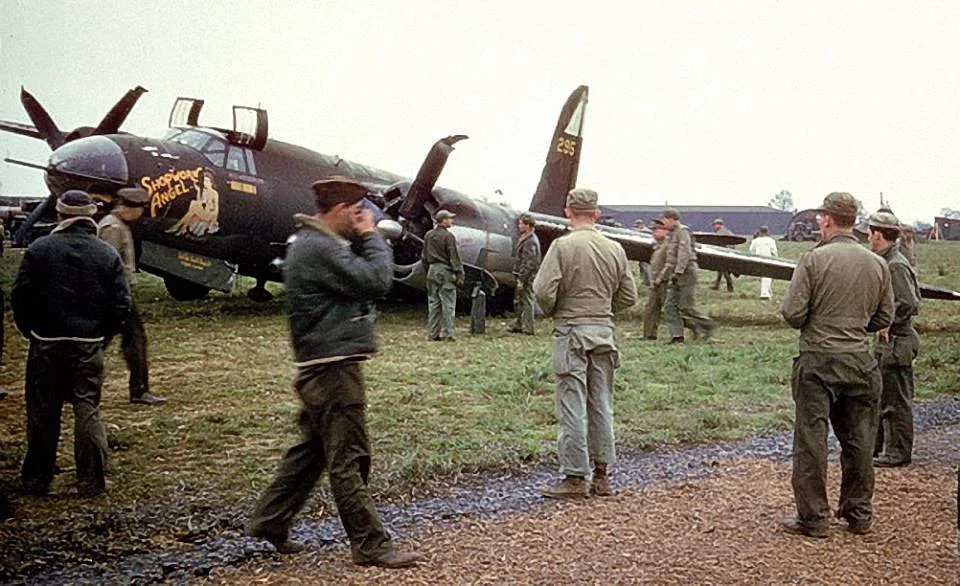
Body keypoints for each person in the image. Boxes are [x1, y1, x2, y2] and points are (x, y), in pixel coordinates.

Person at [247, 178, 422, 567]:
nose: (364, 218)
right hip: (333, 368)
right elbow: (377, 281)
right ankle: (370, 544)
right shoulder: (321, 247)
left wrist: (360, 237)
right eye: (358, 211)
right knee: (350, 457)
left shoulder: (310, 244)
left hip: (320, 365)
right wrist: (372, 236)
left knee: (311, 452)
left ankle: (270, 520)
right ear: (342, 209)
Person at [779, 192, 894, 538]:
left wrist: (822, 323)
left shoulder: (813, 260)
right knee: (860, 440)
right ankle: (858, 514)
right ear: (854, 221)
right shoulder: (877, 263)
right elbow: (885, 315)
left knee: (812, 441)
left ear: (827, 219)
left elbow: (792, 313)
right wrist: (855, 327)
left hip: (818, 361)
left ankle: (814, 519)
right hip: (860, 362)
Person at [12, 190, 131, 498]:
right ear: (91, 216)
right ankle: (91, 481)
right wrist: (102, 337)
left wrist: (32, 331)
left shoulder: (40, 249)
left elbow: (21, 297)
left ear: (61, 215)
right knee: (87, 408)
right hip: (88, 342)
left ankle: (37, 481)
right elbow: (121, 305)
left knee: (42, 411)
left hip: (46, 340)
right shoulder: (106, 253)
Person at [533, 188, 637, 498]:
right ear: (597, 213)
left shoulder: (562, 246)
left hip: (571, 331)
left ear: (567, 211)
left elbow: (542, 290)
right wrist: (602, 310)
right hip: (603, 331)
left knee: (571, 403)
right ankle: (602, 474)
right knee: (601, 403)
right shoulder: (615, 248)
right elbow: (629, 295)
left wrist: (556, 311)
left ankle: (576, 476)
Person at [98, 187, 166, 405]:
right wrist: (115, 297)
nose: (141, 215)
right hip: (114, 295)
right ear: (128, 208)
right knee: (133, 340)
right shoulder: (113, 228)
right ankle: (138, 391)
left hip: (116, 293)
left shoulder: (117, 225)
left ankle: (71, 384)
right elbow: (105, 266)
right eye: (140, 210)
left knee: (110, 341)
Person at [867, 210, 921, 468]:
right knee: (881, 397)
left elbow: (909, 303)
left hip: (896, 342)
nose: (867, 238)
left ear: (878, 235)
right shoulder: (885, 261)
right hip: (888, 343)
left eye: (869, 233)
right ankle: (879, 448)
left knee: (895, 402)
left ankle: (898, 453)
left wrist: (887, 321)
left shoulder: (895, 265)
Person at [657, 208, 714, 343]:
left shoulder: (683, 231)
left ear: (672, 219)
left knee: (686, 305)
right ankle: (677, 336)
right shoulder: (671, 234)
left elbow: (684, 253)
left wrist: (678, 272)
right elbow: (670, 259)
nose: (662, 223)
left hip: (686, 272)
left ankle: (707, 324)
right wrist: (662, 276)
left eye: (664, 220)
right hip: (675, 273)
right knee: (670, 306)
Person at [422, 209, 464, 341]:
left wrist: (428, 270)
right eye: (450, 218)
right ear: (444, 220)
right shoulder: (448, 236)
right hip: (445, 271)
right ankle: (448, 334)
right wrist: (459, 274)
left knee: (433, 303)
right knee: (448, 304)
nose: (451, 220)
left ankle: (433, 334)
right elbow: (454, 257)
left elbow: (423, 257)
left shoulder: (428, 235)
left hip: (432, 271)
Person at [509, 213, 541, 335]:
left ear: (528, 225)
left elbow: (529, 262)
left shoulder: (531, 241)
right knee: (520, 300)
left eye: (521, 224)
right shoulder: (526, 238)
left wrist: (522, 278)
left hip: (527, 276)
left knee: (527, 300)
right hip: (522, 273)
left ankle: (528, 327)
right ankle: (519, 324)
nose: (519, 226)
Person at [642, 219, 670, 340]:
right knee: (650, 309)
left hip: (665, 283)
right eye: (652, 230)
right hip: (656, 283)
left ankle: (697, 326)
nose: (653, 232)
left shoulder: (669, 246)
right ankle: (649, 335)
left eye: (656, 230)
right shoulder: (657, 246)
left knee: (672, 310)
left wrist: (660, 279)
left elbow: (670, 265)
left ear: (665, 231)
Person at [749, 225, 779, 299]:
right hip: (768, 260)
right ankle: (765, 293)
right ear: (767, 232)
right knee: (767, 277)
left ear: (760, 232)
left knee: (762, 277)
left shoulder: (755, 241)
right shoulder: (771, 241)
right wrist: (776, 259)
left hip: (758, 260)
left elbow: (751, 251)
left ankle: (767, 292)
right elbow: (774, 251)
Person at [709, 218, 735, 292]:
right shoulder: (728, 231)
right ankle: (716, 285)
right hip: (728, 253)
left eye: (715, 225)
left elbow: (717, 243)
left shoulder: (720, 233)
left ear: (719, 225)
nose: (715, 226)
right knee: (720, 270)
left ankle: (730, 288)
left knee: (724, 271)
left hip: (723, 254)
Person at [634, 219, 653, 286]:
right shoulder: (645, 231)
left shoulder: (645, 232)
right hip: (642, 254)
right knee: (642, 268)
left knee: (646, 268)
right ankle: (645, 281)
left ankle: (648, 282)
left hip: (645, 253)